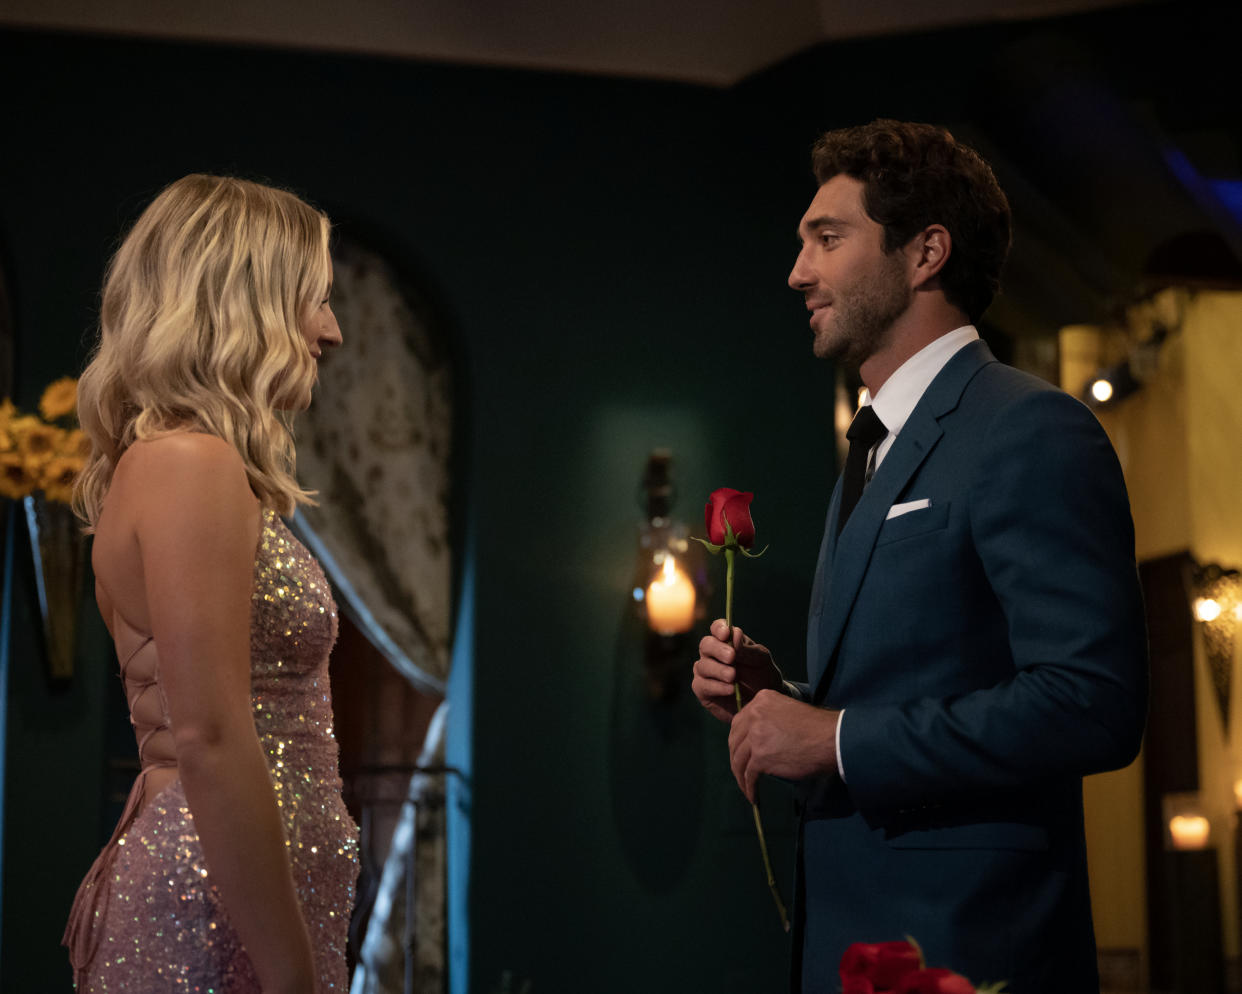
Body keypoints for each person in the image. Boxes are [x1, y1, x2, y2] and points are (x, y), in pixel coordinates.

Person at [693, 120, 1147, 993]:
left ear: (926, 252)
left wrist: (834, 738)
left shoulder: (1030, 428)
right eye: (801, 244)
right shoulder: (870, 447)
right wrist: (781, 700)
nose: (798, 272)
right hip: (851, 946)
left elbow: (1094, 703)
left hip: (972, 945)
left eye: (828, 239)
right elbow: (907, 689)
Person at [64, 174, 356, 993]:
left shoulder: (179, 464)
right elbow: (211, 738)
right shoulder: (192, 464)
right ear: (242, 301)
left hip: (237, 904)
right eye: (314, 299)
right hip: (214, 912)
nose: (331, 332)